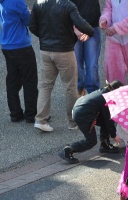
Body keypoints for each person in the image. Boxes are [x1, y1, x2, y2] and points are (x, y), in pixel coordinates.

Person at [29, 0, 94, 132]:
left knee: (45, 86)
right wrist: (90, 32)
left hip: (45, 50)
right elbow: (82, 24)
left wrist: (43, 36)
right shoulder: (68, 5)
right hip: (64, 51)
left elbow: (32, 26)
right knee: (70, 87)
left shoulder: (39, 4)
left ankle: (41, 120)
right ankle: (73, 122)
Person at [58, 80, 123, 164]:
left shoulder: (102, 92)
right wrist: (114, 135)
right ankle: (67, 150)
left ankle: (105, 145)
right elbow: (108, 119)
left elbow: (106, 119)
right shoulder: (107, 99)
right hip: (83, 115)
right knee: (91, 141)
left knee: (104, 122)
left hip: (80, 109)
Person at [0, 0, 38, 123]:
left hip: (7, 45)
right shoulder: (16, 1)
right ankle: (31, 114)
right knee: (30, 80)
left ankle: (15, 113)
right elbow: (29, 20)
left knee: (12, 80)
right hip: (21, 45)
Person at [71, 0, 102, 96]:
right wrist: (74, 29)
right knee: (76, 64)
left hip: (92, 26)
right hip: (74, 28)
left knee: (92, 65)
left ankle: (94, 95)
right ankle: (79, 91)